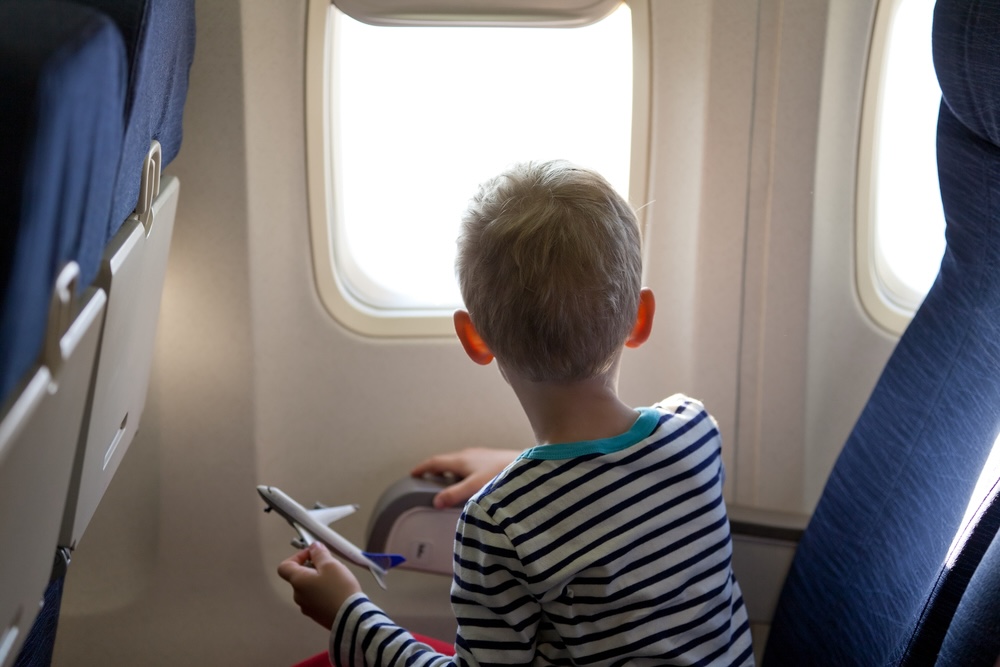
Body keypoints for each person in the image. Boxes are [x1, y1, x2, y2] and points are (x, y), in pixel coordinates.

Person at [278, 160, 754, 666]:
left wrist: (348, 613)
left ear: (474, 338)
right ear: (640, 319)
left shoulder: (500, 520)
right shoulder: (697, 431)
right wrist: (519, 467)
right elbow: (621, 488)